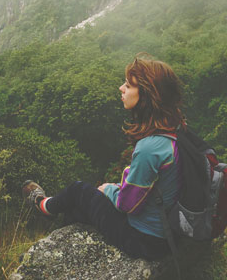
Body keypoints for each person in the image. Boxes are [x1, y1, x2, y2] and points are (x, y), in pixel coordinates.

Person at [21, 54, 185, 260]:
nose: (121, 88)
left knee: (79, 190)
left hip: (147, 240)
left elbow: (127, 205)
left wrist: (109, 189)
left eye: (128, 85)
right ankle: (52, 246)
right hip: (169, 230)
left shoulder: (149, 148)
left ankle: (43, 206)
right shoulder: (177, 131)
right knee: (77, 209)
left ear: (146, 95)